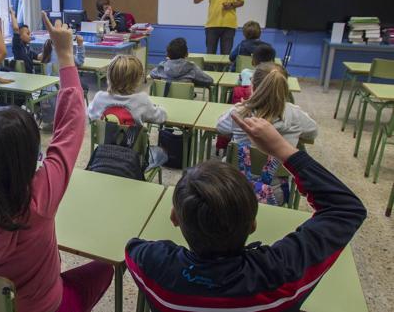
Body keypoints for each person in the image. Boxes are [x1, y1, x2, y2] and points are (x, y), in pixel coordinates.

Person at [126, 113, 366, 311]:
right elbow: (346, 209)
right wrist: (283, 149)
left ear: (174, 218)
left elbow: (132, 247)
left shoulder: (153, 264)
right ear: (253, 224)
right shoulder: (280, 274)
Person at [0, 12, 113, 312]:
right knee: (107, 266)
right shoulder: (39, 198)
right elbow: (70, 128)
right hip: (45, 305)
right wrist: (65, 54)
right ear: (26, 160)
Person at [217, 63, 317, 204]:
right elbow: (312, 133)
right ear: (284, 88)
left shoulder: (239, 112)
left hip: (234, 189)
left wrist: (241, 105)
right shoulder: (295, 115)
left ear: (253, 87)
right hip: (275, 193)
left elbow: (221, 127)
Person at [88, 54, 167, 126]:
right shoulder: (142, 101)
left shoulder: (99, 98)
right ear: (137, 80)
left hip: (103, 141)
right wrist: (159, 108)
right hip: (133, 141)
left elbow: (90, 114)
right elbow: (161, 117)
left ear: (109, 76)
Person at [149, 37, 214, 87]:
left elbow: (152, 74)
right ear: (187, 54)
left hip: (164, 102)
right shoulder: (192, 68)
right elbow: (209, 80)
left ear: (168, 55)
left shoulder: (162, 67)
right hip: (186, 103)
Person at [10, 6, 39, 73]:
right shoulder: (17, 46)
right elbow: (16, 29)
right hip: (22, 76)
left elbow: (39, 57)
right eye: (27, 33)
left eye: (30, 34)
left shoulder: (28, 49)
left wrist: (49, 50)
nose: (30, 36)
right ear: (20, 35)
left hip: (30, 75)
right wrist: (12, 14)